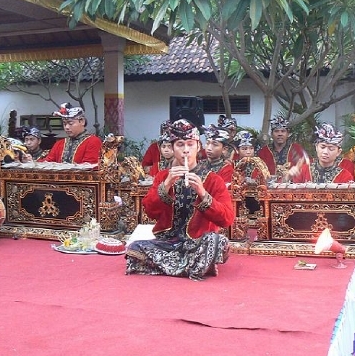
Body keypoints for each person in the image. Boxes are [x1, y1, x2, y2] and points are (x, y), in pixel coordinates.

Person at [125, 119, 235, 281]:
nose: (186, 150)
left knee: (216, 241)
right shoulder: (163, 176)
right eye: (180, 144)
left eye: (190, 144)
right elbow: (150, 211)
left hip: (197, 243)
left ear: (198, 147)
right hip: (169, 243)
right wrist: (166, 185)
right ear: (172, 148)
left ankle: (179, 265)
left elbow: (227, 219)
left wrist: (203, 194)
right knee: (134, 249)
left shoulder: (213, 179)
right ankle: (193, 267)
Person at [257, 115, 309, 183]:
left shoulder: (297, 149)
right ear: (271, 134)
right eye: (276, 131)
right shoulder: (263, 152)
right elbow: (259, 175)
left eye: (283, 131)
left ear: (288, 134)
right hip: (270, 190)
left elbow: (307, 169)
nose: (280, 134)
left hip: (293, 189)